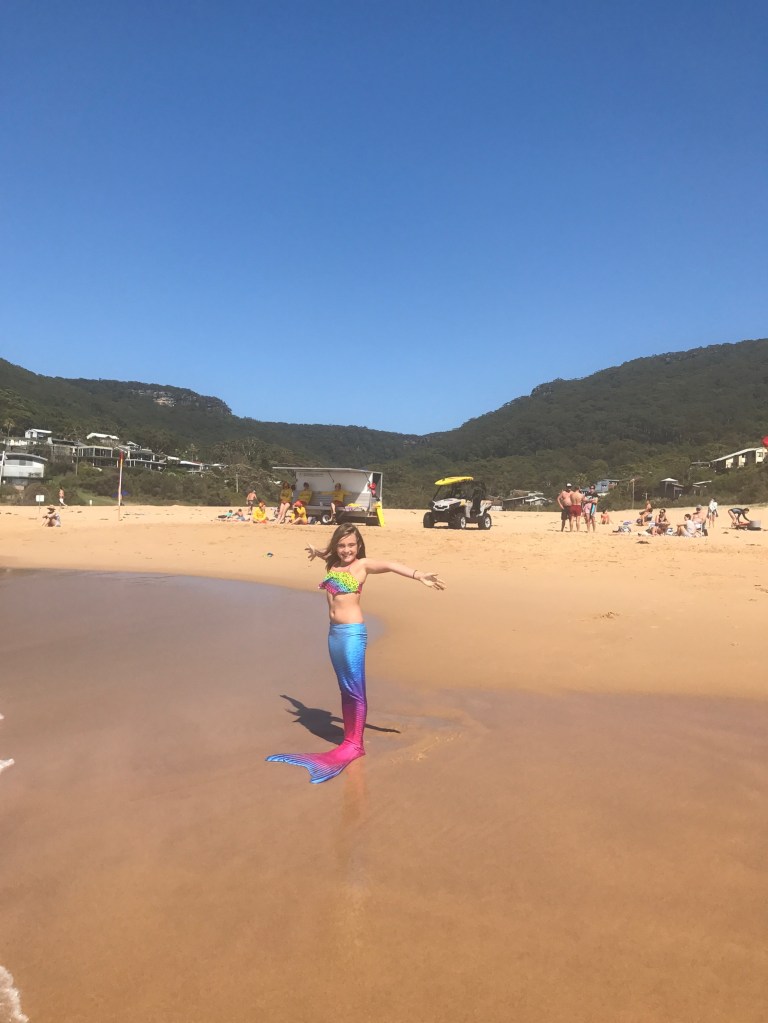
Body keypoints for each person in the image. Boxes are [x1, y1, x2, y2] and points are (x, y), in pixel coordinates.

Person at [266, 524, 445, 784]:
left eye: (351, 544)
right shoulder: (333, 564)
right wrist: (318, 551)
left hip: (352, 634)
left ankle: (355, 743)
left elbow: (391, 565)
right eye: (342, 545)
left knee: (355, 689)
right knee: (344, 688)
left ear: (358, 545)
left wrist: (419, 575)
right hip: (334, 634)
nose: (347, 550)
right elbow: (329, 553)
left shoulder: (362, 566)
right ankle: (349, 737)